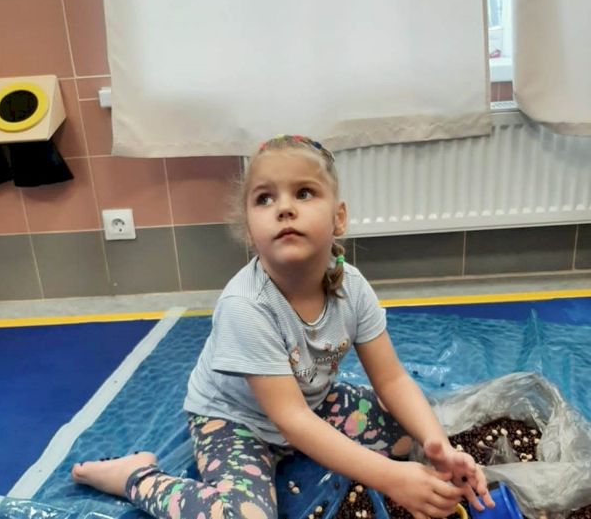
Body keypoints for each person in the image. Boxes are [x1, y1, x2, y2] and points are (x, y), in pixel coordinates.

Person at [72, 135, 494, 519]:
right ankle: (136, 476)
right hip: (237, 422)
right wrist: (391, 478)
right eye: (264, 199)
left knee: (410, 431)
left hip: (312, 404)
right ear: (249, 231)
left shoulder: (352, 288)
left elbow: (392, 380)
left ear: (339, 218)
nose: (284, 208)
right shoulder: (245, 306)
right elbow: (291, 419)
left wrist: (439, 447)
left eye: (304, 193)